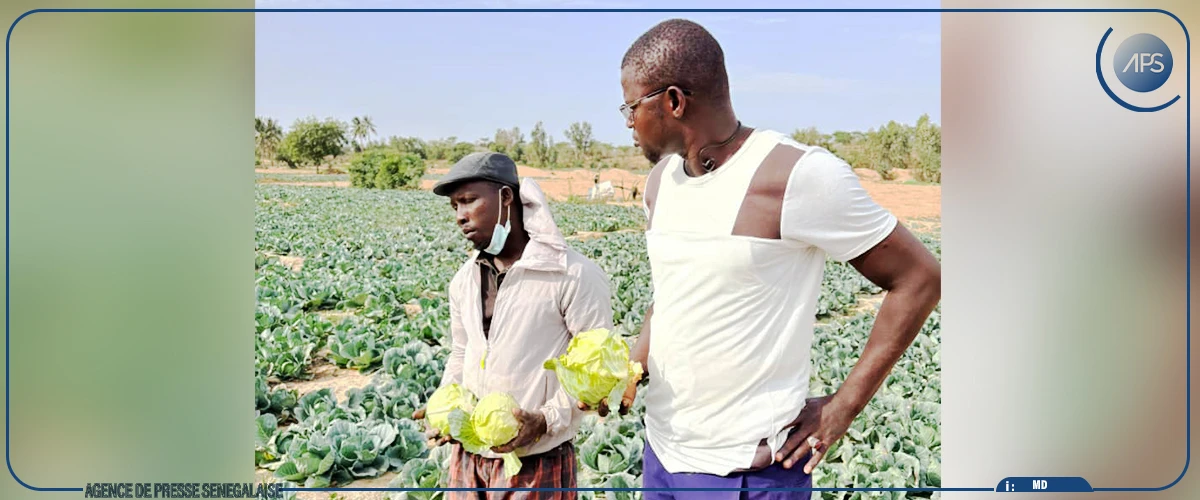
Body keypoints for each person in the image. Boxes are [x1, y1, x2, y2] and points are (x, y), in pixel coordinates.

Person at [588, 19, 943, 498]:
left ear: (673, 101)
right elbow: (671, 295)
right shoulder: (659, 185)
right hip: (661, 456)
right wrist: (636, 363)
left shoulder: (795, 176)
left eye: (631, 106)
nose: (628, 121)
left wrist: (844, 406)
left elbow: (920, 278)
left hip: (749, 472)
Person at [415, 152, 615, 499]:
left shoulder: (571, 275)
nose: (461, 216)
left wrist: (545, 419)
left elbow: (598, 377)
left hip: (536, 462)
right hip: (469, 457)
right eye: (454, 207)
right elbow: (462, 351)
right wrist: (445, 405)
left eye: (469, 201)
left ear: (506, 197)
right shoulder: (464, 280)